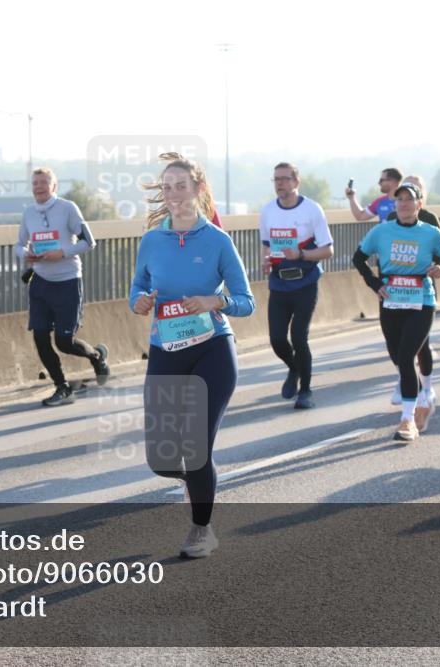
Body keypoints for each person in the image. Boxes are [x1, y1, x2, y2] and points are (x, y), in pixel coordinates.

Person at [130, 156, 254, 558]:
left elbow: (246, 301)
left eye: (181, 186)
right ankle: (194, 480)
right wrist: (141, 302)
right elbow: (136, 290)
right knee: (163, 458)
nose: (173, 195)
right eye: (167, 187)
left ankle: (202, 529)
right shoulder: (151, 240)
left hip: (213, 350)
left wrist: (214, 300)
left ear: (198, 189)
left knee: (196, 446)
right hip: (166, 349)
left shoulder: (218, 240)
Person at [352, 182, 440, 441]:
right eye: (400, 199)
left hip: (421, 300)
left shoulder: (430, 233)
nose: (404, 203)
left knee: (407, 356)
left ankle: (407, 420)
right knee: (398, 357)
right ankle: (421, 398)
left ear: (419, 204)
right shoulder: (382, 231)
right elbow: (358, 258)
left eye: (410, 199)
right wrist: (375, 283)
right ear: (395, 204)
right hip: (391, 300)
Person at [16, 167, 109, 407]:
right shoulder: (28, 213)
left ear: (53, 187)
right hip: (40, 283)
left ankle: (97, 356)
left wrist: (62, 252)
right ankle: (62, 387)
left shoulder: (68, 208)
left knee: (64, 342)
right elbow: (18, 245)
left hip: (67, 281)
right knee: (40, 337)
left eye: (44, 183)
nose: (39, 187)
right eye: (35, 183)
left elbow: (90, 242)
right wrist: (26, 254)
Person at [259, 162, 334, 409]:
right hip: (279, 282)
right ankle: (294, 369)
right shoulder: (268, 211)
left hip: (305, 281)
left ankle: (306, 391)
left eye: (284, 179)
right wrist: (266, 261)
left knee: (299, 338)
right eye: (276, 179)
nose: (280, 183)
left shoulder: (312, 209)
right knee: (277, 339)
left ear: (296, 182)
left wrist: (301, 255)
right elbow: (268, 245)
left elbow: (328, 250)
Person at [384, 175, 440, 405]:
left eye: (415, 190)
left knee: (421, 343)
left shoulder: (430, 219)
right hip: (396, 288)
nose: (406, 198)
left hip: (422, 289)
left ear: (421, 196)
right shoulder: (392, 219)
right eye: (403, 194)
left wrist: (438, 266)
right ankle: (407, 381)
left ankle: (427, 387)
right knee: (398, 342)